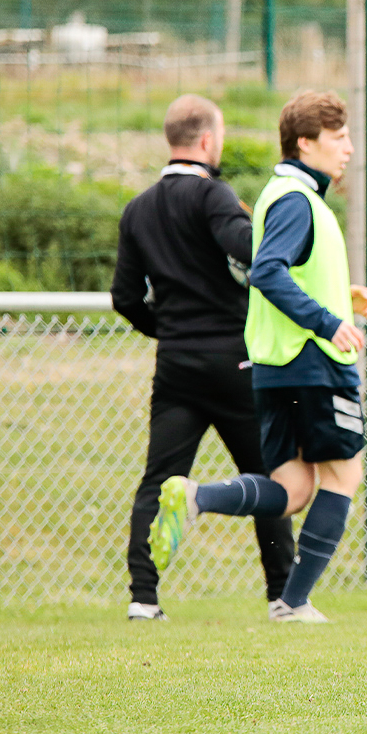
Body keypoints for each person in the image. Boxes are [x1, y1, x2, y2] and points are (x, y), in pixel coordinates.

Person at [147, 90, 367, 623]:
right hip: (312, 361)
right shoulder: (298, 199)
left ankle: (196, 496)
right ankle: (293, 603)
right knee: (343, 477)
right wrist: (328, 323)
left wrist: (343, 299)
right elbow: (268, 271)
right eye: (338, 138)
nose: (347, 149)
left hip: (275, 365)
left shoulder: (282, 194)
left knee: (292, 490)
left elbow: (287, 273)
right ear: (306, 142)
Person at [111, 94, 296, 621]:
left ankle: (143, 599)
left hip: (175, 366)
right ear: (209, 141)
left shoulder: (137, 208)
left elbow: (125, 298)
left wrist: (167, 329)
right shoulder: (214, 196)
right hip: (234, 362)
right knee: (269, 478)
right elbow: (249, 248)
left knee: (159, 479)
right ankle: (283, 596)